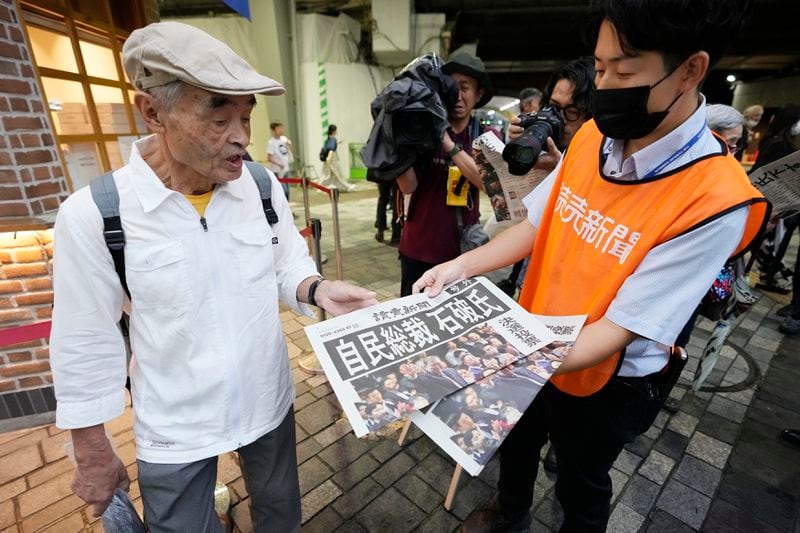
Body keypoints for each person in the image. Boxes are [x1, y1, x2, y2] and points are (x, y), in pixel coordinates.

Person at [413, 1, 769, 530]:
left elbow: (620, 328)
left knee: (581, 480)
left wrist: (482, 355)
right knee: (515, 443)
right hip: (535, 336)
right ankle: (509, 517)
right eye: (599, 68)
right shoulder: (590, 141)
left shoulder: (714, 198)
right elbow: (537, 228)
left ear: (691, 70)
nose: (604, 86)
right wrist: (459, 267)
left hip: (610, 375)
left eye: (623, 71)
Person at [49, 22, 378, 532]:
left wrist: (316, 289)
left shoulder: (262, 186)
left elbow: (285, 262)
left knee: (279, 516)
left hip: (267, 399)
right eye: (218, 116)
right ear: (152, 112)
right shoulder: (97, 214)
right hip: (174, 422)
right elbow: (84, 341)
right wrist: (90, 449)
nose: (242, 138)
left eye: (246, 117)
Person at [395, 52, 494, 296]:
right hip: (416, 248)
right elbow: (407, 187)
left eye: (465, 87)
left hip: (461, 256)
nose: (458, 95)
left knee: (456, 328)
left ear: (478, 94)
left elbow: (488, 183)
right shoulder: (423, 130)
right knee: (413, 325)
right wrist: (397, 152)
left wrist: (450, 145)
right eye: (451, 87)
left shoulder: (486, 137)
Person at [496, 57, 596, 296]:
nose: (558, 120)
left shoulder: (609, 163)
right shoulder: (550, 140)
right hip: (532, 271)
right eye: (553, 107)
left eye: (571, 111)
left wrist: (561, 167)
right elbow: (528, 226)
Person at [321, 124, 355, 191]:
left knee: (328, 175)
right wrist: (329, 160)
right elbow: (331, 150)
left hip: (328, 159)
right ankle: (346, 187)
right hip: (332, 159)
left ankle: (323, 187)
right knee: (338, 174)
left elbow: (328, 147)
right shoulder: (333, 139)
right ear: (334, 131)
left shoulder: (328, 139)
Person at [266, 121, 293, 199]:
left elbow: (289, 151)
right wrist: (279, 164)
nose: (281, 130)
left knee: (287, 191)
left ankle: (287, 207)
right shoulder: (271, 142)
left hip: (286, 168)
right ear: (274, 130)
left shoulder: (284, 139)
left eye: (282, 128)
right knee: (283, 191)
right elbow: (269, 157)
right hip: (277, 170)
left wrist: (290, 144)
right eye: (279, 128)